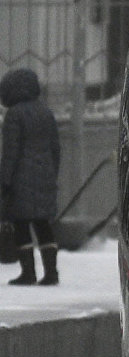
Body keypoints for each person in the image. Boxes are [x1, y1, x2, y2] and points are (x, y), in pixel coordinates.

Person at [1, 68, 61, 286]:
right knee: (43, 224)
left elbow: (11, 152)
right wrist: (52, 173)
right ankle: (52, 272)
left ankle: (28, 273)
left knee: (21, 224)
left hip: (20, 178)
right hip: (45, 175)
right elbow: (55, 148)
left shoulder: (14, 114)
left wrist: (5, 181)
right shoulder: (46, 112)